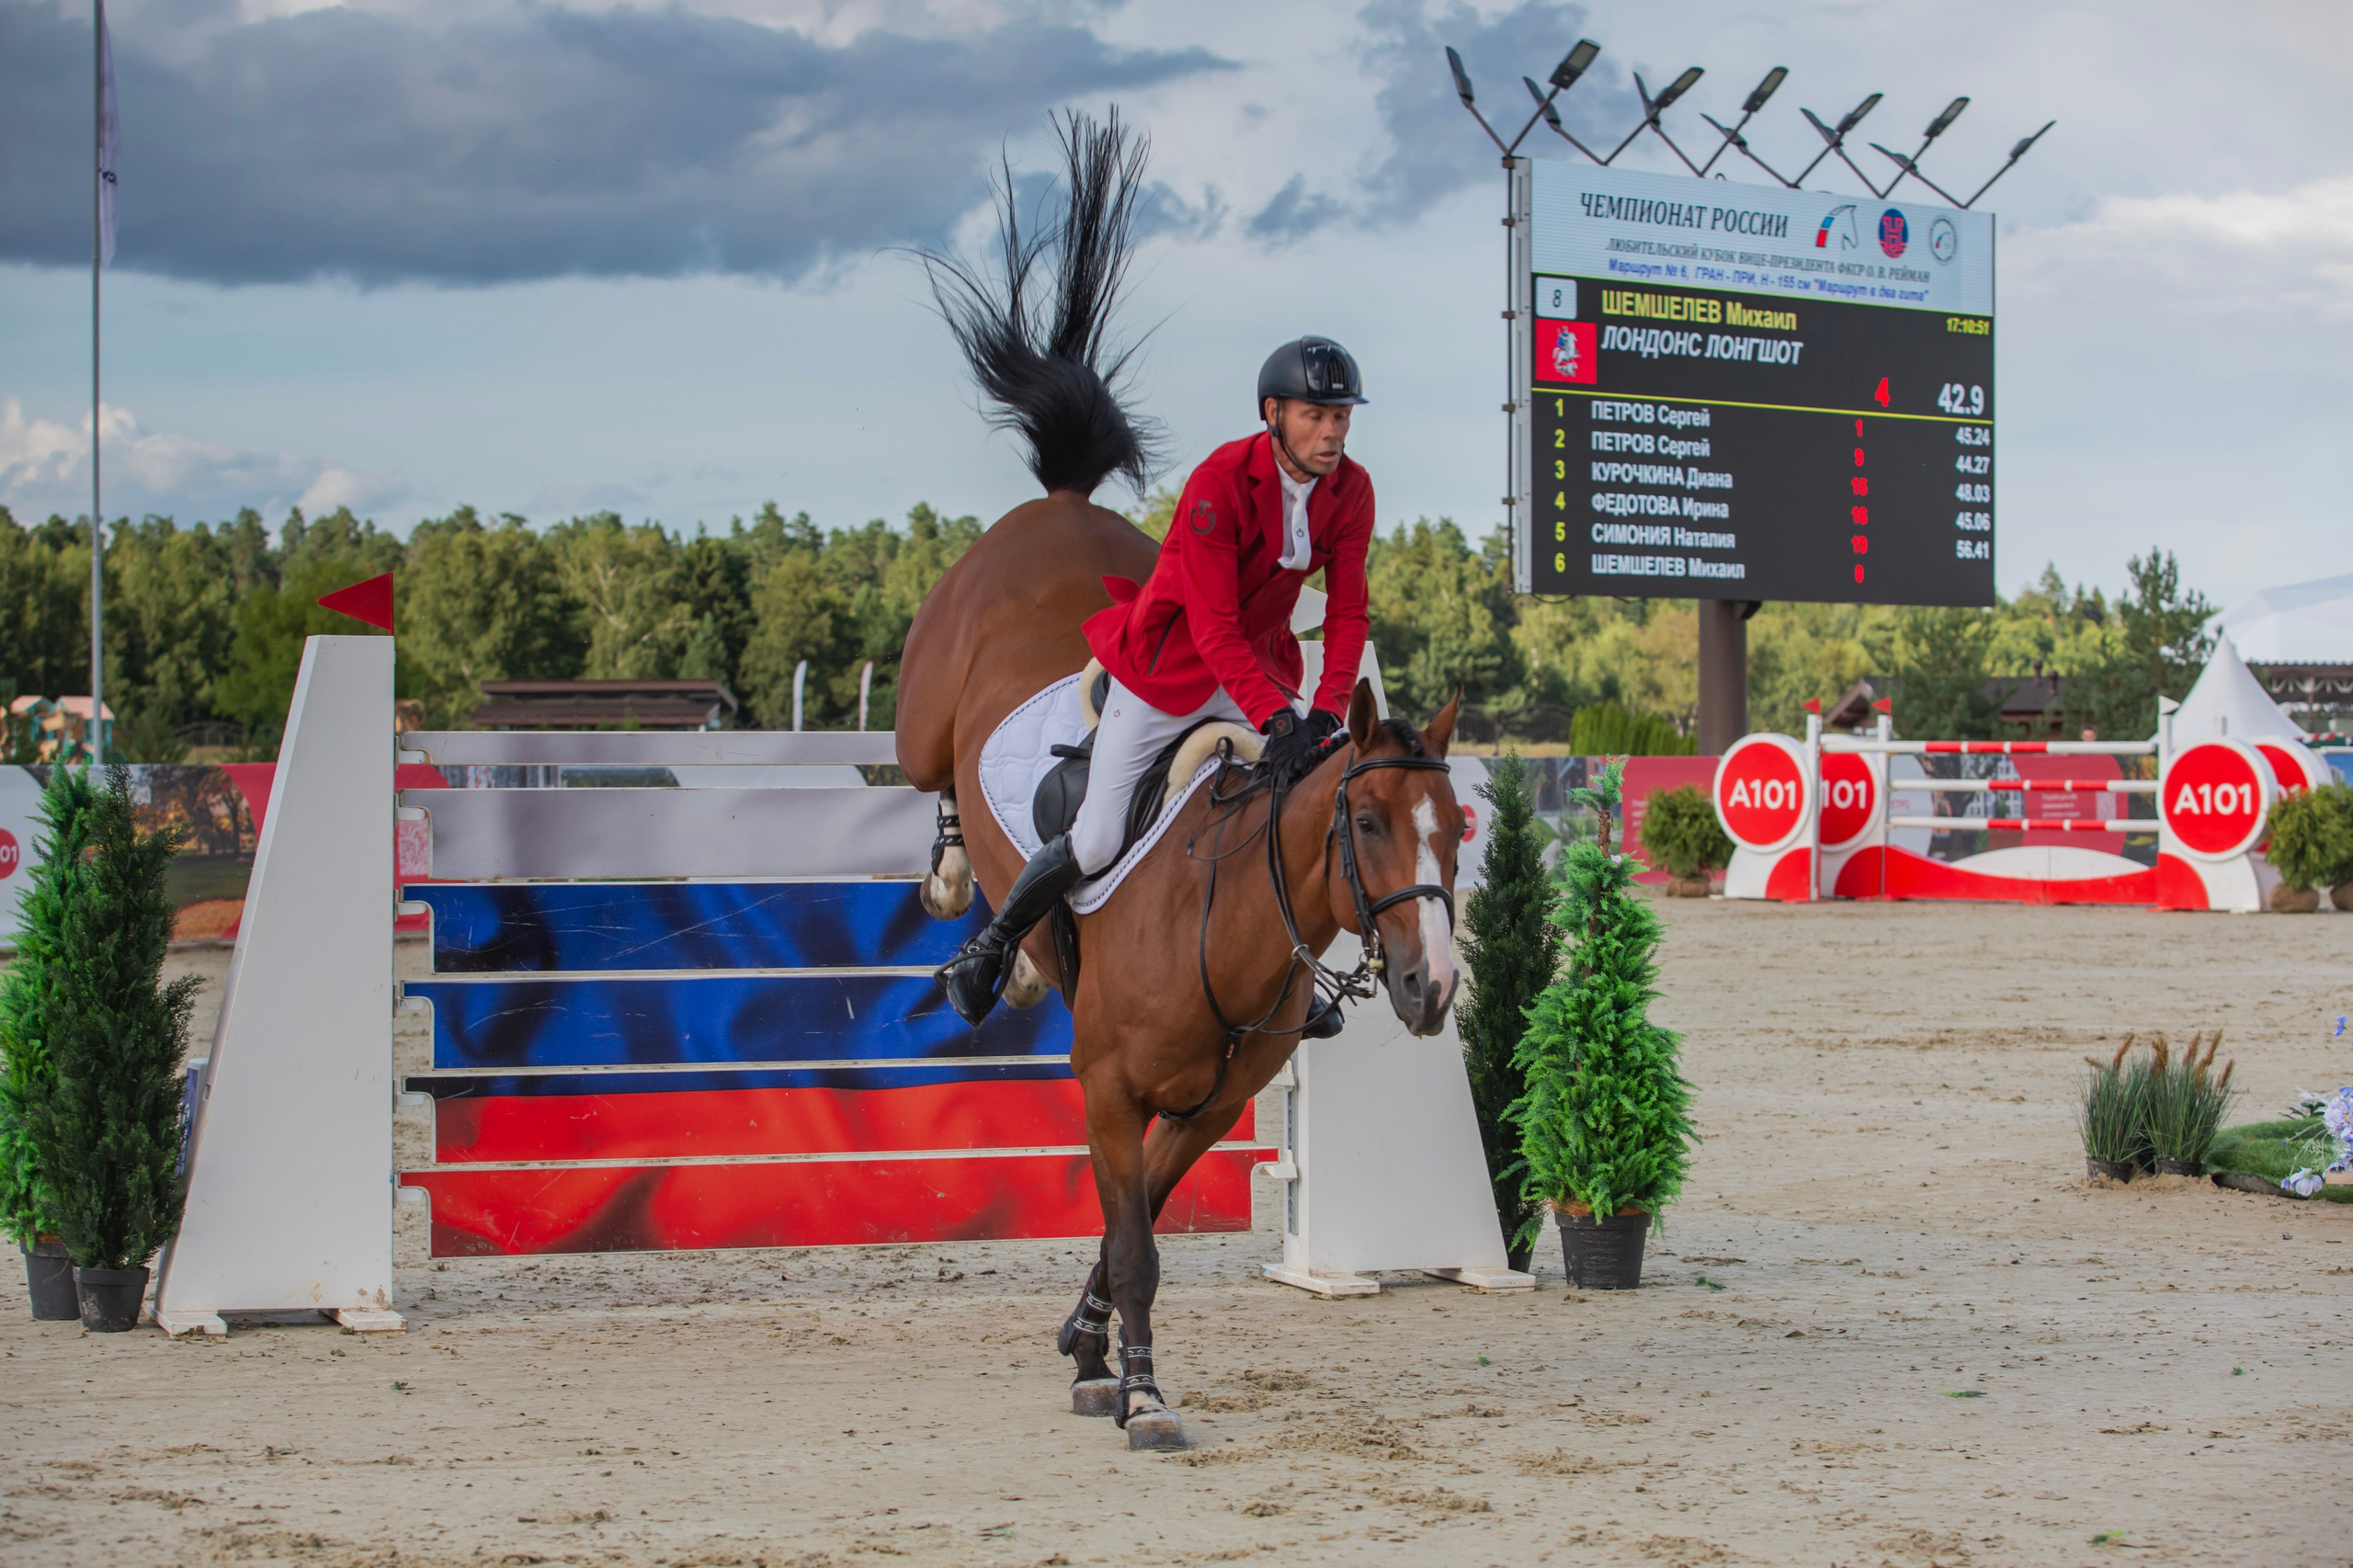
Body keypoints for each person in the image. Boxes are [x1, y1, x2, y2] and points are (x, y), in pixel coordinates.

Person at [937, 335, 1378, 1026]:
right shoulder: (1219, 482)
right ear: (1273, 414)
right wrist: (1276, 718)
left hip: (1257, 667)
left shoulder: (1352, 490)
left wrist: (1322, 711)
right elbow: (1212, 625)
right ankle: (988, 949)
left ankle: (1293, 968)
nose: (1332, 432)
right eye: (1315, 416)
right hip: (1169, 666)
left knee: (1305, 800)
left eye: (1342, 417)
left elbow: (1350, 610)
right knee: (1098, 839)